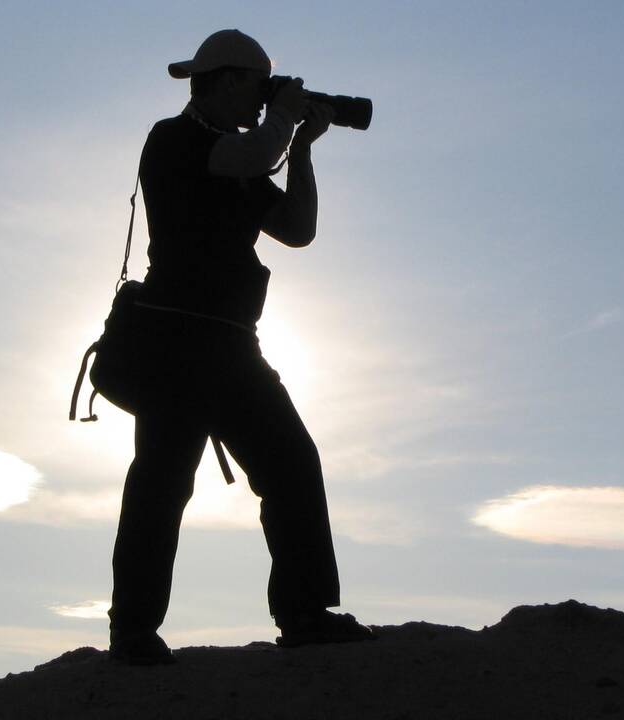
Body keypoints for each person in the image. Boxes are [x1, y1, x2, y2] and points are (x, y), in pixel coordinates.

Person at [106, 29, 374, 665]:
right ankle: (133, 631)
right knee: (162, 484)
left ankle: (306, 614)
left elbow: (297, 231)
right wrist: (285, 114)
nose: (261, 103)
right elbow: (251, 153)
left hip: (233, 346)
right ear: (225, 81)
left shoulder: (248, 151)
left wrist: (303, 148)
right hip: (174, 339)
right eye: (256, 88)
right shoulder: (174, 139)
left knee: (291, 465)